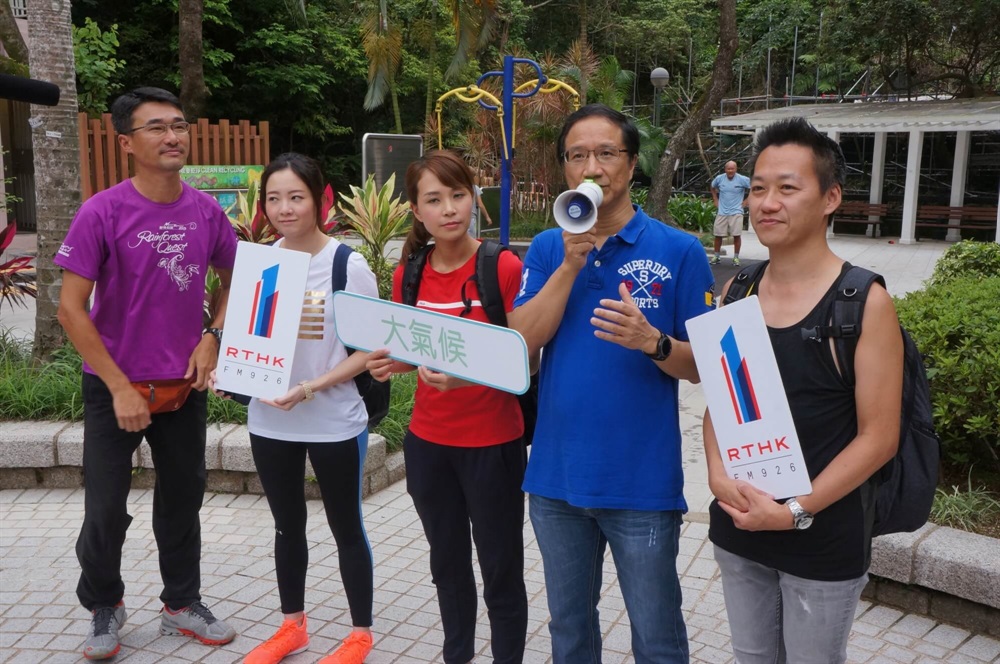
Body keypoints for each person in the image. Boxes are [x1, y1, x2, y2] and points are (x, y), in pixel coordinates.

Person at [508, 104, 715, 663]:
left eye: (606, 153)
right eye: (577, 156)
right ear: (565, 169)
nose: (591, 167)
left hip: (641, 486)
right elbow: (520, 344)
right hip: (555, 482)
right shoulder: (550, 247)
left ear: (630, 164)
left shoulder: (679, 250)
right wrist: (571, 265)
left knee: (657, 634)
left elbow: (706, 367)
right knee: (569, 632)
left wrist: (655, 342)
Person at [704, 117, 903, 664]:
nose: (768, 202)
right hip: (741, 527)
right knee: (752, 657)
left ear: (830, 197)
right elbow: (721, 403)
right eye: (760, 187)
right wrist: (718, 476)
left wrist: (792, 510)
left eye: (788, 188)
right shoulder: (738, 288)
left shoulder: (863, 302)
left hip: (821, 536)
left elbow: (879, 438)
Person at [54, 87, 238, 660]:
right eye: (156, 127)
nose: (172, 136)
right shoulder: (102, 211)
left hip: (183, 386)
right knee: (105, 505)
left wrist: (213, 336)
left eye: (179, 125)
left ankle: (181, 603)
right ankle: (104, 602)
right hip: (114, 385)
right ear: (126, 141)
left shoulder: (207, 211)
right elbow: (69, 309)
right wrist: (116, 386)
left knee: (184, 496)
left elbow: (236, 278)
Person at [211, 153, 378, 664]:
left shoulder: (347, 264)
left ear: (318, 200)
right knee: (287, 526)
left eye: (296, 197)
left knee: (346, 526)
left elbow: (370, 353)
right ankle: (292, 627)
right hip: (270, 419)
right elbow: (242, 337)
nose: (285, 208)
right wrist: (229, 372)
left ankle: (360, 634)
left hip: (333, 419)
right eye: (274, 198)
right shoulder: (259, 262)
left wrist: (308, 388)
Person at [366, 150, 528, 664]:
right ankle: (456, 653)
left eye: (458, 194)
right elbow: (416, 352)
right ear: (416, 210)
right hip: (428, 446)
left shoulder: (501, 266)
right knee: (448, 564)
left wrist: (465, 375)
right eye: (434, 200)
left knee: (501, 568)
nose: (449, 209)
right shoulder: (408, 273)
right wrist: (397, 365)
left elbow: (524, 355)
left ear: (473, 198)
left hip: (494, 445)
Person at [710, 160, 751, 265]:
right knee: (718, 235)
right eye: (728, 169)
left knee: (736, 235)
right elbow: (712, 186)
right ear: (725, 169)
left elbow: (754, 187)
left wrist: (747, 200)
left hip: (736, 211)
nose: (730, 171)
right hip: (722, 211)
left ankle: (736, 258)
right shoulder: (719, 178)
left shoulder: (742, 179)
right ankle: (716, 256)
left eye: (732, 169)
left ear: (736, 169)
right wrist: (715, 199)